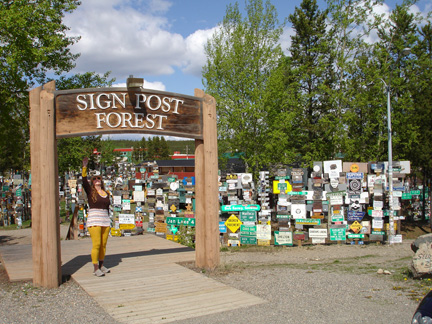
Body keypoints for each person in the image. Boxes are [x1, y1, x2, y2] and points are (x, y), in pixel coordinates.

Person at [82, 157, 111, 277]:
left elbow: (108, 207)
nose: (97, 180)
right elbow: (83, 181)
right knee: (97, 243)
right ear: (92, 182)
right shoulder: (90, 192)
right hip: (94, 218)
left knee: (103, 244)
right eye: (94, 179)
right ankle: (95, 268)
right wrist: (84, 166)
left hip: (105, 219)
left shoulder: (106, 193)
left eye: (99, 178)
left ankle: (101, 264)